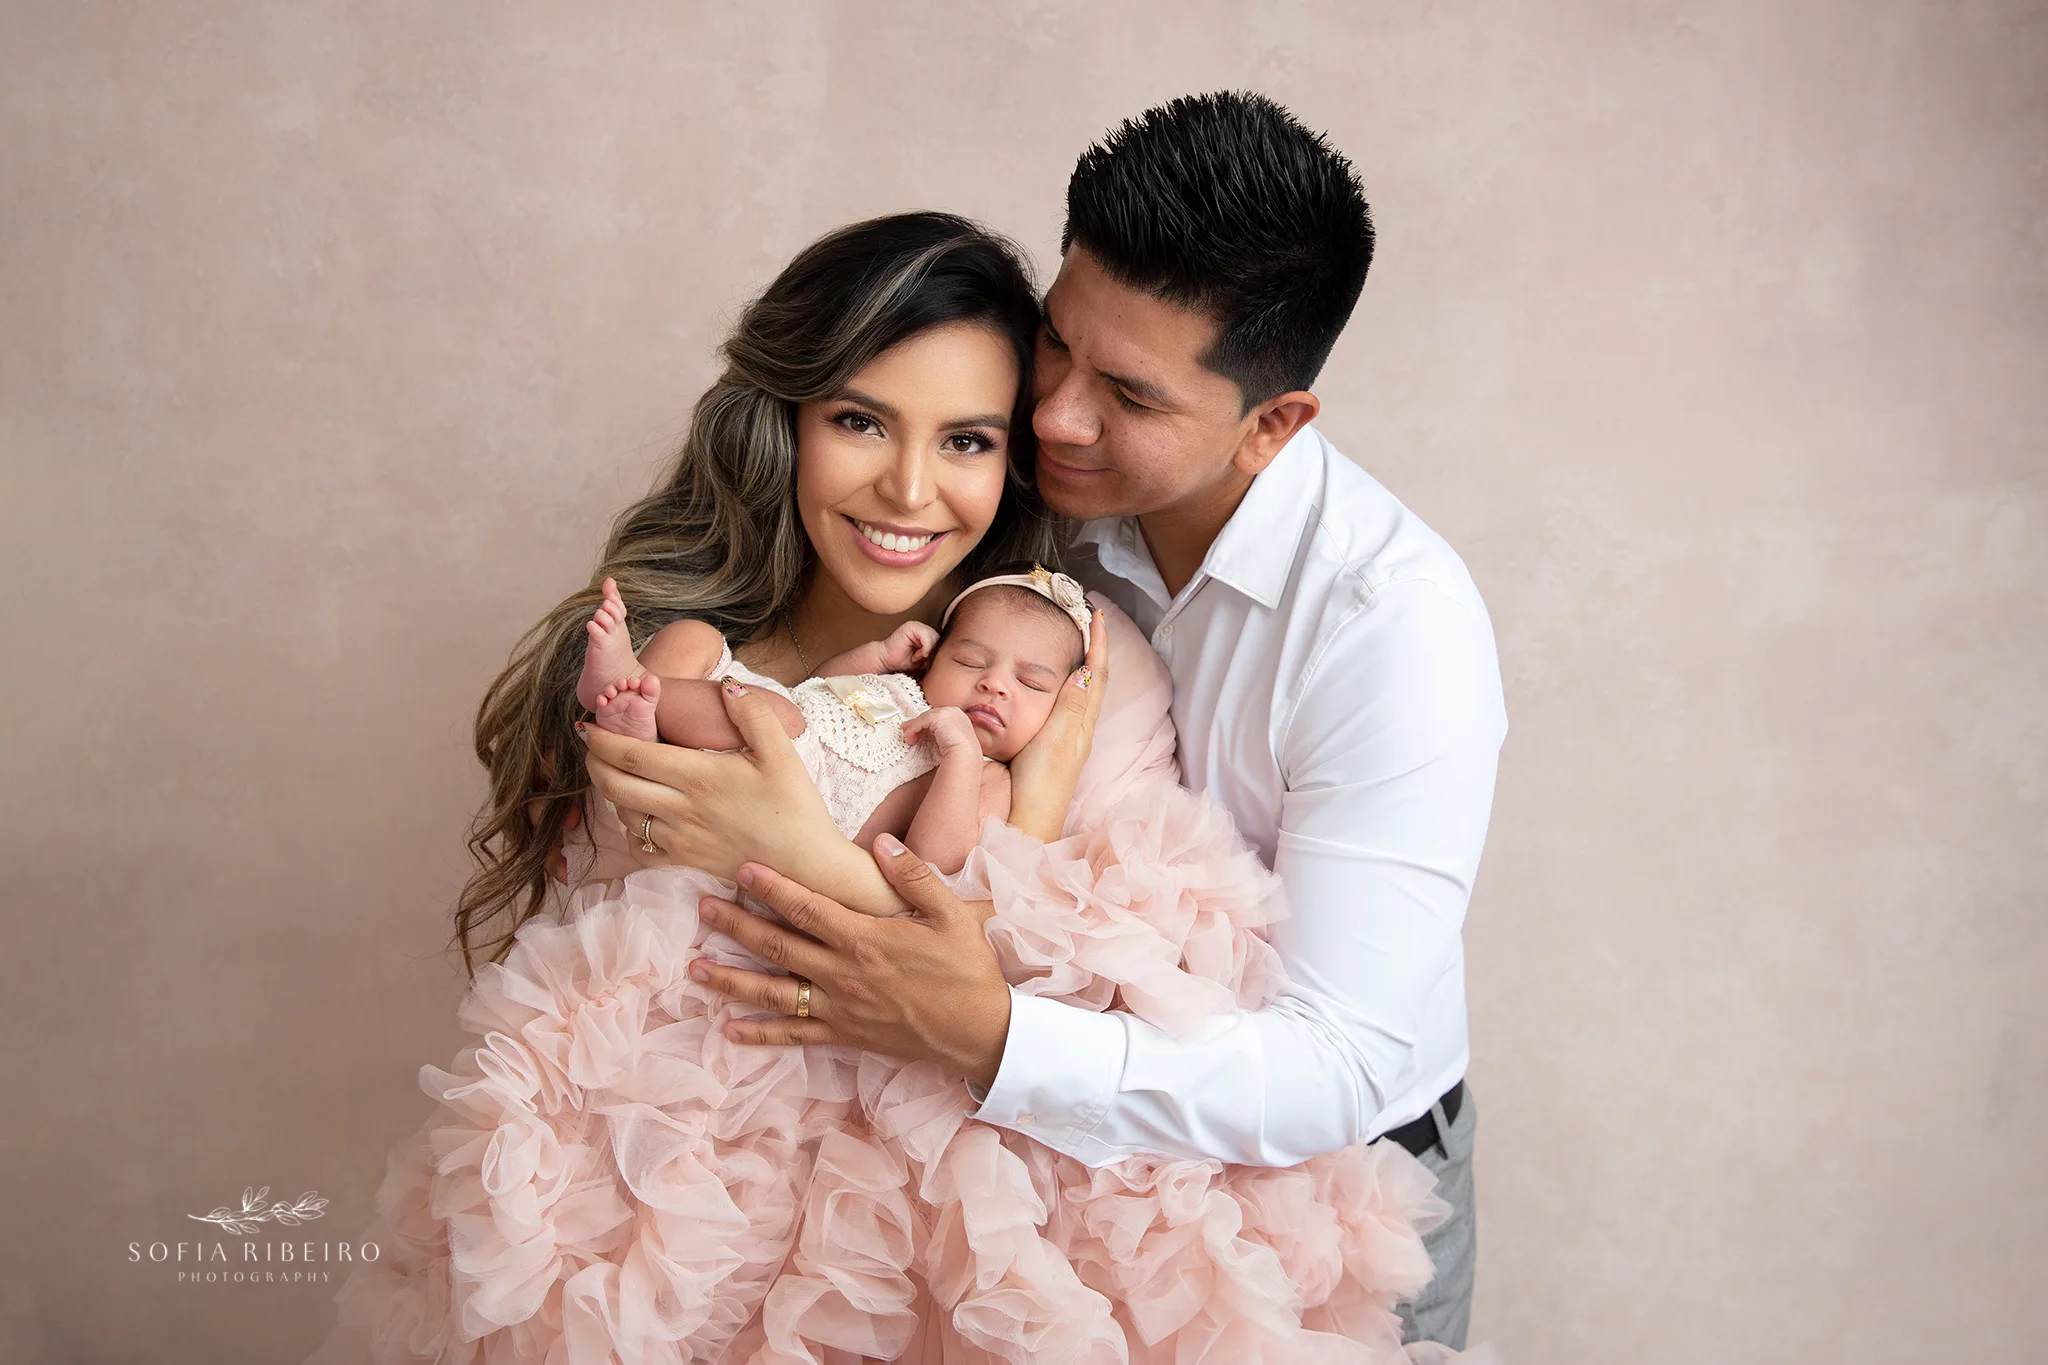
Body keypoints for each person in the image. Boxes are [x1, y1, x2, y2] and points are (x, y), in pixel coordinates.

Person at [304, 208, 1464, 1364]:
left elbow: (1104, 984)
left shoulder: (1082, 667)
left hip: (991, 1203)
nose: (910, 489)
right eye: (860, 421)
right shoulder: (690, 654)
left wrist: (816, 846)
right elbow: (614, 959)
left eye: (968, 439)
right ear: (786, 421)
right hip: (689, 1185)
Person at [581, 93, 1509, 1349]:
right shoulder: (1018, 509)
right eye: (1057, 348)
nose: (1056, 416)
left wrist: (983, 1028)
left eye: (1124, 393)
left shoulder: (1388, 627)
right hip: (1025, 1153)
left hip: (1316, 1176)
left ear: (1271, 425)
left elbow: (1329, 1067)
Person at [574, 564, 1098, 874]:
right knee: (695, 638)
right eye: (970, 661)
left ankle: (634, 705)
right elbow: (820, 693)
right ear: (934, 658)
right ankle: (637, 703)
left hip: (794, 799)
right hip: (771, 716)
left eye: (1030, 683)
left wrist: (960, 756)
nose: (995, 684)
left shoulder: (987, 775)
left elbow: (934, 863)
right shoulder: (902, 694)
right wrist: (875, 658)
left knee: (771, 716)